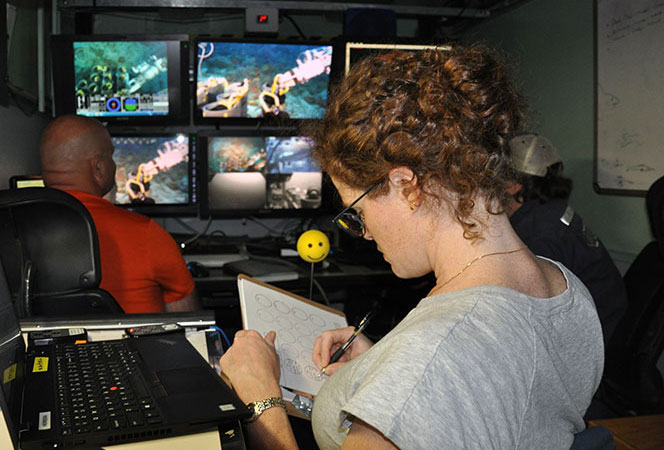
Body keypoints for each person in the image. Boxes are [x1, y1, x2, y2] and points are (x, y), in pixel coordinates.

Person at [219, 45, 603, 449]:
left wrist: (261, 399)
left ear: (407, 186)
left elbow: (443, 365)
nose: (363, 232)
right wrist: (381, 367)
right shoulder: (567, 288)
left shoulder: (430, 359)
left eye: (358, 210)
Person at [39, 114, 200, 313]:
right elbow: (188, 321)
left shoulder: (15, 228)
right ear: (98, 167)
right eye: (111, 156)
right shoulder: (147, 234)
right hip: (134, 345)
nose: (114, 165)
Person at [506, 133, 628, 345]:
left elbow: (537, 320)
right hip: (611, 321)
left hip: (596, 337)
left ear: (513, 185)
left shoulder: (537, 235)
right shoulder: (550, 210)